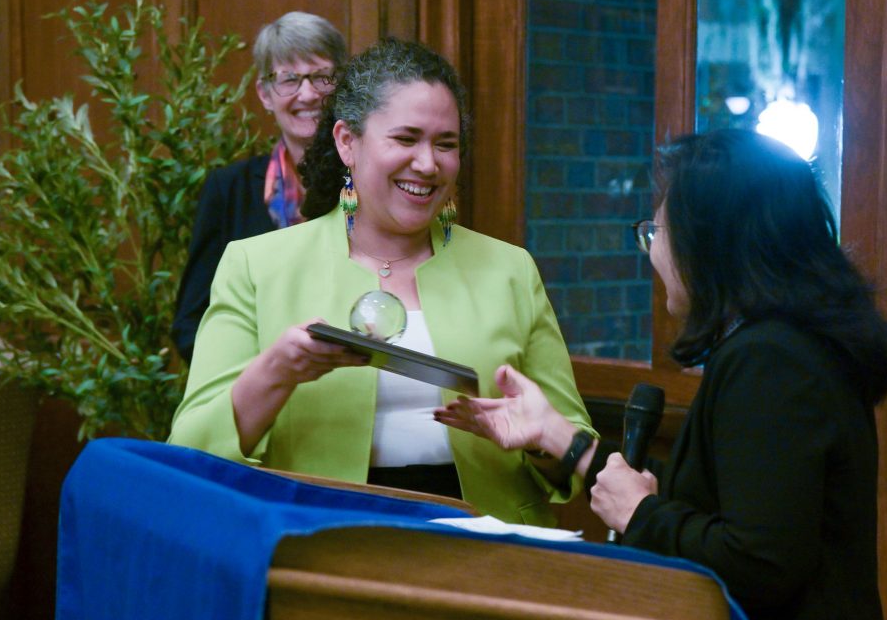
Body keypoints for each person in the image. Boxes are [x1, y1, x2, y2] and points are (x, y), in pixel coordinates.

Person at [435, 129, 887, 620]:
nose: (653, 251)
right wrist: (562, 438)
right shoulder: (785, 344)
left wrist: (640, 514)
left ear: (713, 242)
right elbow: (715, 501)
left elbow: (760, 563)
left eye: (657, 231)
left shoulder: (771, 359)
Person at [168, 38, 595, 527]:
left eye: (446, 144)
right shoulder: (255, 265)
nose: (428, 163)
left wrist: (538, 440)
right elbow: (190, 451)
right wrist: (275, 373)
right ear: (347, 141)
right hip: (319, 541)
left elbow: (573, 453)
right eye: (406, 139)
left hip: (488, 544)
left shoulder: (510, 269)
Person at [171, 12, 347, 363]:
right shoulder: (227, 191)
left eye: (321, 77)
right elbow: (191, 323)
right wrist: (264, 374)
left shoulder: (370, 185)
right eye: (289, 79)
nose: (308, 94)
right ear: (265, 95)